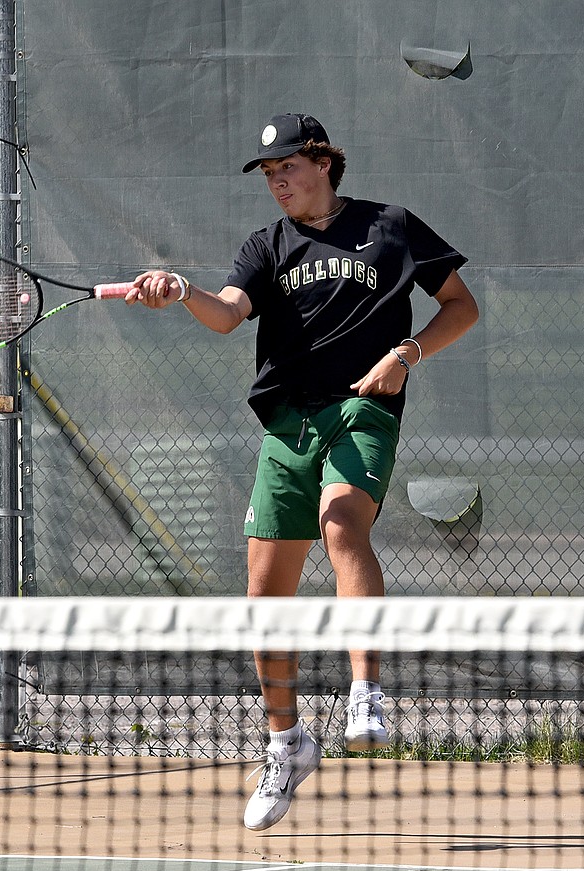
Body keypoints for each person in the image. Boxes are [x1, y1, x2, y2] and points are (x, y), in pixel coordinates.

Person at [122, 112, 479, 831]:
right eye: (268, 173)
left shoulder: (392, 227)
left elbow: (462, 307)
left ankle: (365, 690)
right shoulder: (268, 245)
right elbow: (228, 313)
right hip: (288, 423)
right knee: (264, 591)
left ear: (323, 162)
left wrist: (406, 355)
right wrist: (182, 288)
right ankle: (287, 741)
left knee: (343, 523)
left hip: (361, 411)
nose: (278, 180)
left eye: (289, 166)